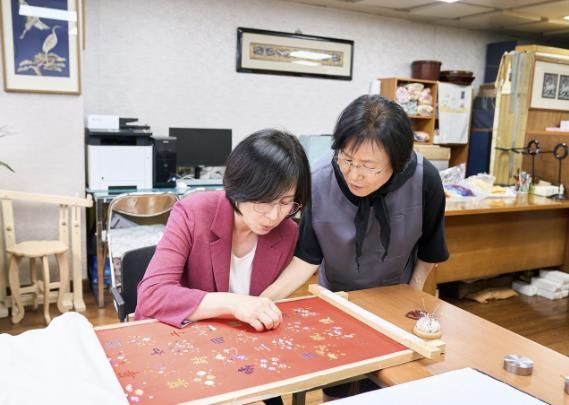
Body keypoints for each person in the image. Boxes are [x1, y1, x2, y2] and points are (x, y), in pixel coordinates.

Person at [260, 95, 449, 399]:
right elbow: (307, 257)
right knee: (338, 389)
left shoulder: (424, 179)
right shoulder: (319, 180)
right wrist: (263, 302)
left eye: (369, 167)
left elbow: (430, 249)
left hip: (395, 299)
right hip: (337, 302)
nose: (354, 174)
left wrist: (411, 295)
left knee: (390, 388)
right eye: (347, 159)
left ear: (398, 162)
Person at [134, 129, 310, 333]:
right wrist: (233, 304)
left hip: (238, 338)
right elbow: (152, 295)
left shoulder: (287, 232)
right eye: (265, 201)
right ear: (240, 187)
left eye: (286, 202)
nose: (274, 216)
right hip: (182, 334)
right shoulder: (192, 213)